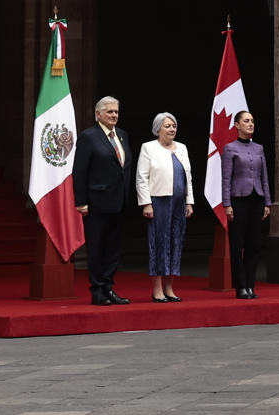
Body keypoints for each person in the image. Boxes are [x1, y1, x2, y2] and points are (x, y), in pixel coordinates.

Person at [74, 95, 132, 305]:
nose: (114, 115)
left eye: (116, 111)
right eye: (109, 112)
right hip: (96, 203)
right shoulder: (89, 137)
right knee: (97, 249)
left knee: (113, 249)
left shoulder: (123, 136)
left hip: (118, 202)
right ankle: (97, 290)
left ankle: (108, 288)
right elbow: (80, 171)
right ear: (98, 114)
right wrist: (81, 202)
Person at [135, 111, 195, 302]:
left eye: (174, 126)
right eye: (167, 126)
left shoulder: (182, 148)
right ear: (157, 129)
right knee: (159, 243)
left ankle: (169, 288)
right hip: (158, 202)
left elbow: (189, 178)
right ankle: (157, 289)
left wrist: (189, 201)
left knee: (176, 243)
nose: (172, 129)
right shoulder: (148, 148)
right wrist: (146, 203)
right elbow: (141, 178)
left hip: (179, 203)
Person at [220, 110, 271, 299]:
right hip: (238, 199)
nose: (250, 124)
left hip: (257, 198)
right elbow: (226, 178)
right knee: (237, 244)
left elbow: (264, 176)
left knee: (254, 244)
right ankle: (240, 286)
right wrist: (227, 203)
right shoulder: (230, 148)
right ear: (237, 125)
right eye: (246, 121)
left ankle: (250, 285)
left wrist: (267, 201)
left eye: (252, 121)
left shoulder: (258, 148)